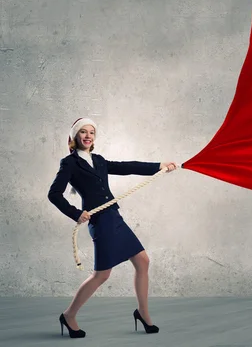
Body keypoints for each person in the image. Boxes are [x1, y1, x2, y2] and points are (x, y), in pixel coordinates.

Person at [47, 117, 177, 338]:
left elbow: (127, 167)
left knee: (143, 260)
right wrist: (76, 213)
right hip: (100, 222)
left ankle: (143, 313)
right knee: (102, 275)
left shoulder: (99, 160)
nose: (88, 136)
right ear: (75, 137)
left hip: (114, 217)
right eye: (83, 132)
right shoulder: (69, 163)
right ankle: (69, 315)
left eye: (91, 132)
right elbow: (54, 194)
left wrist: (159, 166)